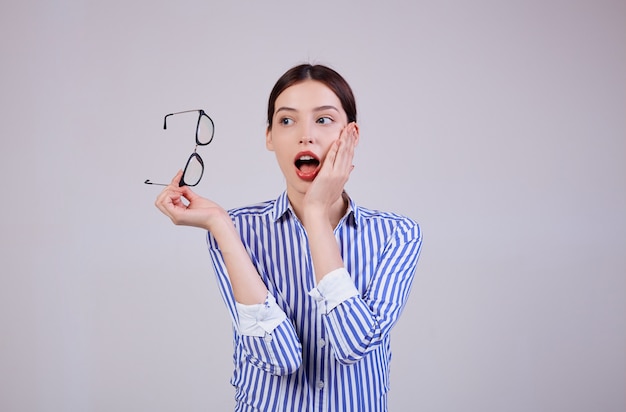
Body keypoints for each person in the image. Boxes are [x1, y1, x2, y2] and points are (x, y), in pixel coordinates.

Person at [155, 64, 423, 411]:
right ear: (269, 137)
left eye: (323, 119)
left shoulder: (397, 235)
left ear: (351, 135)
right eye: (286, 120)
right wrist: (220, 225)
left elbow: (353, 346)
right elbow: (279, 358)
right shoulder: (236, 230)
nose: (305, 136)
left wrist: (314, 215)